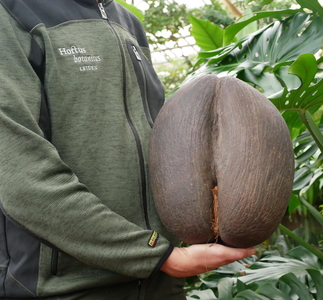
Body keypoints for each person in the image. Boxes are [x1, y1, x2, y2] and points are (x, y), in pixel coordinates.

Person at [0, 0, 255, 299]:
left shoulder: (129, 23)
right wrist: (149, 254)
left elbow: (159, 144)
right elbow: (20, 173)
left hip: (160, 282)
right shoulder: (13, 12)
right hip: (67, 287)